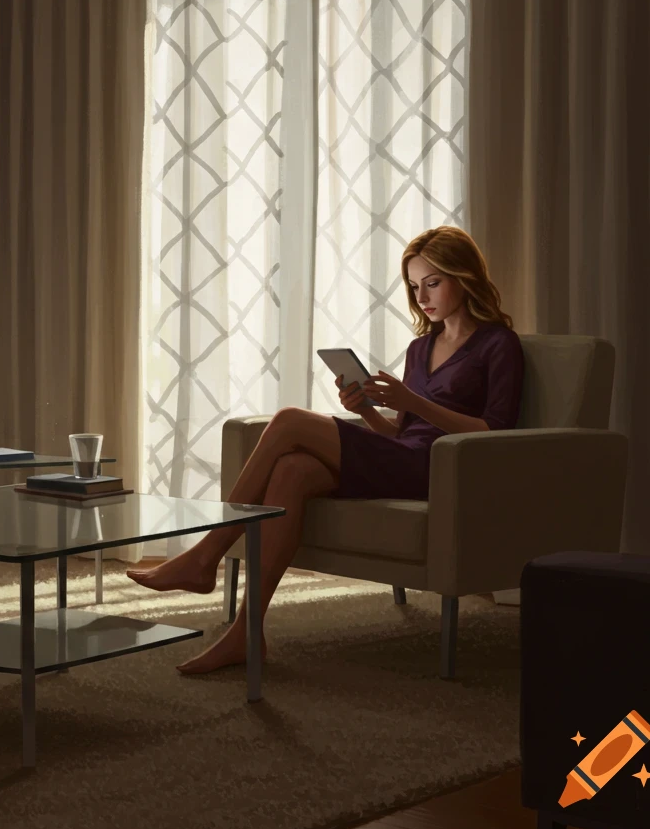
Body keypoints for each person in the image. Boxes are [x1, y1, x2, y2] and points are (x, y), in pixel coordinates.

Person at [127, 225, 525, 674]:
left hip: (441, 470)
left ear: (464, 276)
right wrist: (366, 411)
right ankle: (246, 633)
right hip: (404, 457)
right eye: (415, 286)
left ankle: (205, 555)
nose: (422, 297)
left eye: (432, 283)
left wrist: (414, 402)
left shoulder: (498, 344)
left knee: (289, 420)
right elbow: (401, 432)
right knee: (293, 470)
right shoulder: (421, 347)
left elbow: (495, 429)